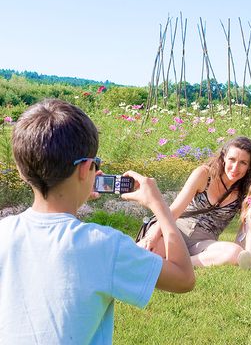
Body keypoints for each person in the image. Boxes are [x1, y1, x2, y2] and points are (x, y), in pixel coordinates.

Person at [0, 99, 195, 343]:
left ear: (21, 171)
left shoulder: (4, 232)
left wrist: (76, 194)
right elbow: (184, 278)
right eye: (96, 165)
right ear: (85, 169)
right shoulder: (105, 245)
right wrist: (160, 207)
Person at [141, 136, 251, 267]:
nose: (235, 167)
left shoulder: (245, 191)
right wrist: (153, 236)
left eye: (243, 163)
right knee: (146, 255)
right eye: (232, 160)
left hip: (203, 243)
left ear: (249, 167)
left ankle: (180, 264)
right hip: (175, 230)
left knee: (235, 252)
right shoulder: (204, 174)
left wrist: (250, 255)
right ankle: (172, 261)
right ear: (223, 158)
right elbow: (173, 211)